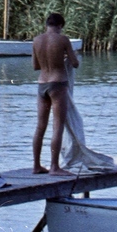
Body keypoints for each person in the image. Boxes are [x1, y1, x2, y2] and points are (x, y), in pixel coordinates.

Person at [32, 12, 80, 174]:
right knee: (57, 126)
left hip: (42, 84)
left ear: (47, 25)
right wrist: (67, 56)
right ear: (60, 26)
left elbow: (35, 66)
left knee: (40, 127)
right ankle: (54, 166)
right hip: (58, 84)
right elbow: (75, 64)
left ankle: (36, 166)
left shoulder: (37, 40)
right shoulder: (63, 39)